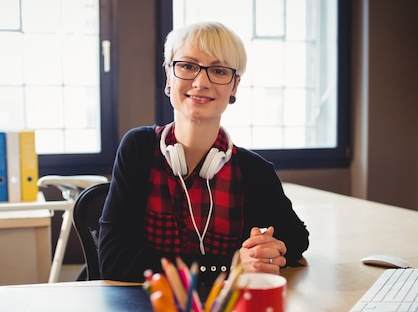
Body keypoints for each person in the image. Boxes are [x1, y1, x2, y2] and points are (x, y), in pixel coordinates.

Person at [98, 21, 309, 284]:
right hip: (144, 309)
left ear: (234, 86)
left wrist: (272, 250)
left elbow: (297, 236)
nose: (200, 82)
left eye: (219, 71)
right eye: (187, 66)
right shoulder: (138, 148)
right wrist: (229, 266)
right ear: (168, 75)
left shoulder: (253, 171)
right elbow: (114, 261)